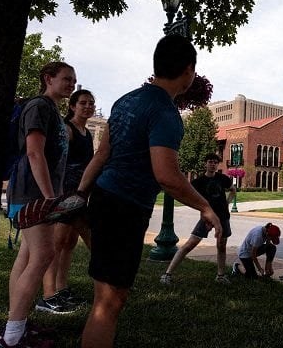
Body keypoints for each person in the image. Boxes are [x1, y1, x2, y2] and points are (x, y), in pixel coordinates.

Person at [76, 35, 222, 348]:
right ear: (188, 71)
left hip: (104, 199)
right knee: (109, 302)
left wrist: (80, 195)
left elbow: (102, 156)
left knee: (109, 296)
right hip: (123, 209)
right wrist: (205, 206)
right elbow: (167, 175)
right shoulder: (165, 114)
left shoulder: (125, 101)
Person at [0, 62, 76, 348]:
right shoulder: (40, 107)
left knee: (28, 257)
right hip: (32, 194)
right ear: (48, 78)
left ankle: (16, 325)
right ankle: (12, 338)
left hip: (34, 193)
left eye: (74, 80)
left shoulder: (51, 110)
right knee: (43, 255)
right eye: (66, 79)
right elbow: (33, 153)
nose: (72, 84)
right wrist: (49, 198)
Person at [37, 89, 95, 314]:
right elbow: (55, 160)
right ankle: (47, 296)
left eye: (91, 103)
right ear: (72, 106)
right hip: (65, 194)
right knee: (56, 243)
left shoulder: (86, 132)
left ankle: (61, 288)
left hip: (80, 194)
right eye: (83, 103)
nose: (88, 107)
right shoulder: (67, 130)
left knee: (69, 243)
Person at [160, 153, 236, 285]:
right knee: (190, 244)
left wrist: (227, 203)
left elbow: (233, 190)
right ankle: (167, 274)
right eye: (210, 162)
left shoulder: (222, 178)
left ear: (217, 164)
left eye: (215, 162)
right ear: (205, 164)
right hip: (206, 217)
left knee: (221, 245)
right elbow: (189, 197)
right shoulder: (198, 182)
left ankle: (221, 275)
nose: (212, 164)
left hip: (223, 217)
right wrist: (201, 210)